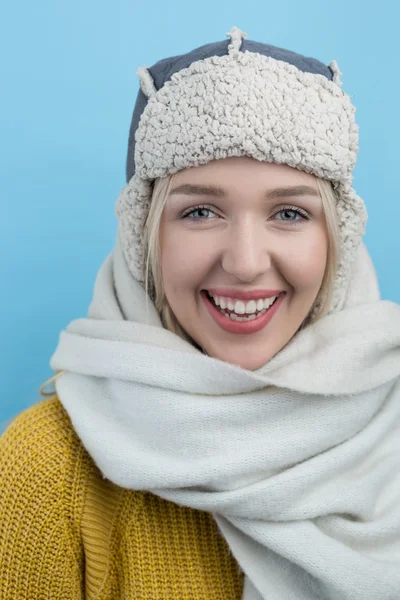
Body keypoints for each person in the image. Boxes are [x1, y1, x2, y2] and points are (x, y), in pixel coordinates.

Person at [1, 26, 400, 600]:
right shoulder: (45, 474)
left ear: (336, 240)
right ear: (146, 237)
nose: (243, 263)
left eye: (289, 213)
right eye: (200, 212)